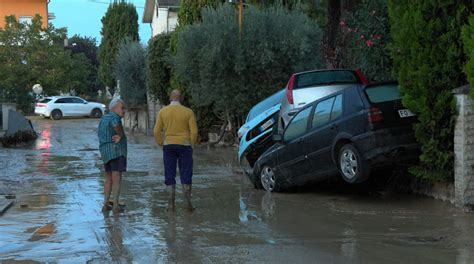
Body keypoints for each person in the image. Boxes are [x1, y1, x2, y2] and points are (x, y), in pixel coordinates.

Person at [154, 90, 198, 212]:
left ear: (170, 98)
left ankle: (171, 205)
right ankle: (188, 204)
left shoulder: (163, 112)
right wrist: (192, 144)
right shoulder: (188, 112)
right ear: (181, 98)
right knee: (186, 173)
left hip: (169, 146)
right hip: (185, 146)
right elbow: (194, 132)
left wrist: (161, 143)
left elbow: (156, 131)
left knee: (169, 174)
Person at [98, 98, 127, 214]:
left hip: (105, 152)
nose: (124, 111)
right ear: (114, 108)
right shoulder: (114, 117)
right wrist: (120, 135)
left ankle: (105, 204)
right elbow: (116, 125)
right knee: (117, 177)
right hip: (116, 151)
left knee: (108, 178)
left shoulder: (104, 118)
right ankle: (115, 205)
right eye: (122, 108)